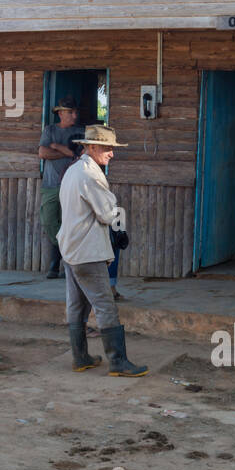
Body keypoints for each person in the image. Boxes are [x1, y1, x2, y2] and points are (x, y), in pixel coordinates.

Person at [58, 124, 147, 377]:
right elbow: (107, 213)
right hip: (88, 251)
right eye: (108, 148)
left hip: (71, 247)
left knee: (77, 306)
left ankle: (81, 357)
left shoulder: (74, 170)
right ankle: (118, 362)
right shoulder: (90, 176)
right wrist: (117, 215)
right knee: (105, 306)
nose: (111, 154)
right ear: (93, 147)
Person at [38, 97, 85, 278]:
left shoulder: (80, 132)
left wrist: (57, 147)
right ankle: (62, 256)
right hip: (50, 184)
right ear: (60, 113)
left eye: (75, 112)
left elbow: (78, 155)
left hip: (72, 185)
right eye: (70, 112)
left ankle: (59, 265)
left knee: (70, 223)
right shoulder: (49, 130)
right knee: (49, 221)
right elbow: (43, 153)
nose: (75, 116)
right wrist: (67, 152)